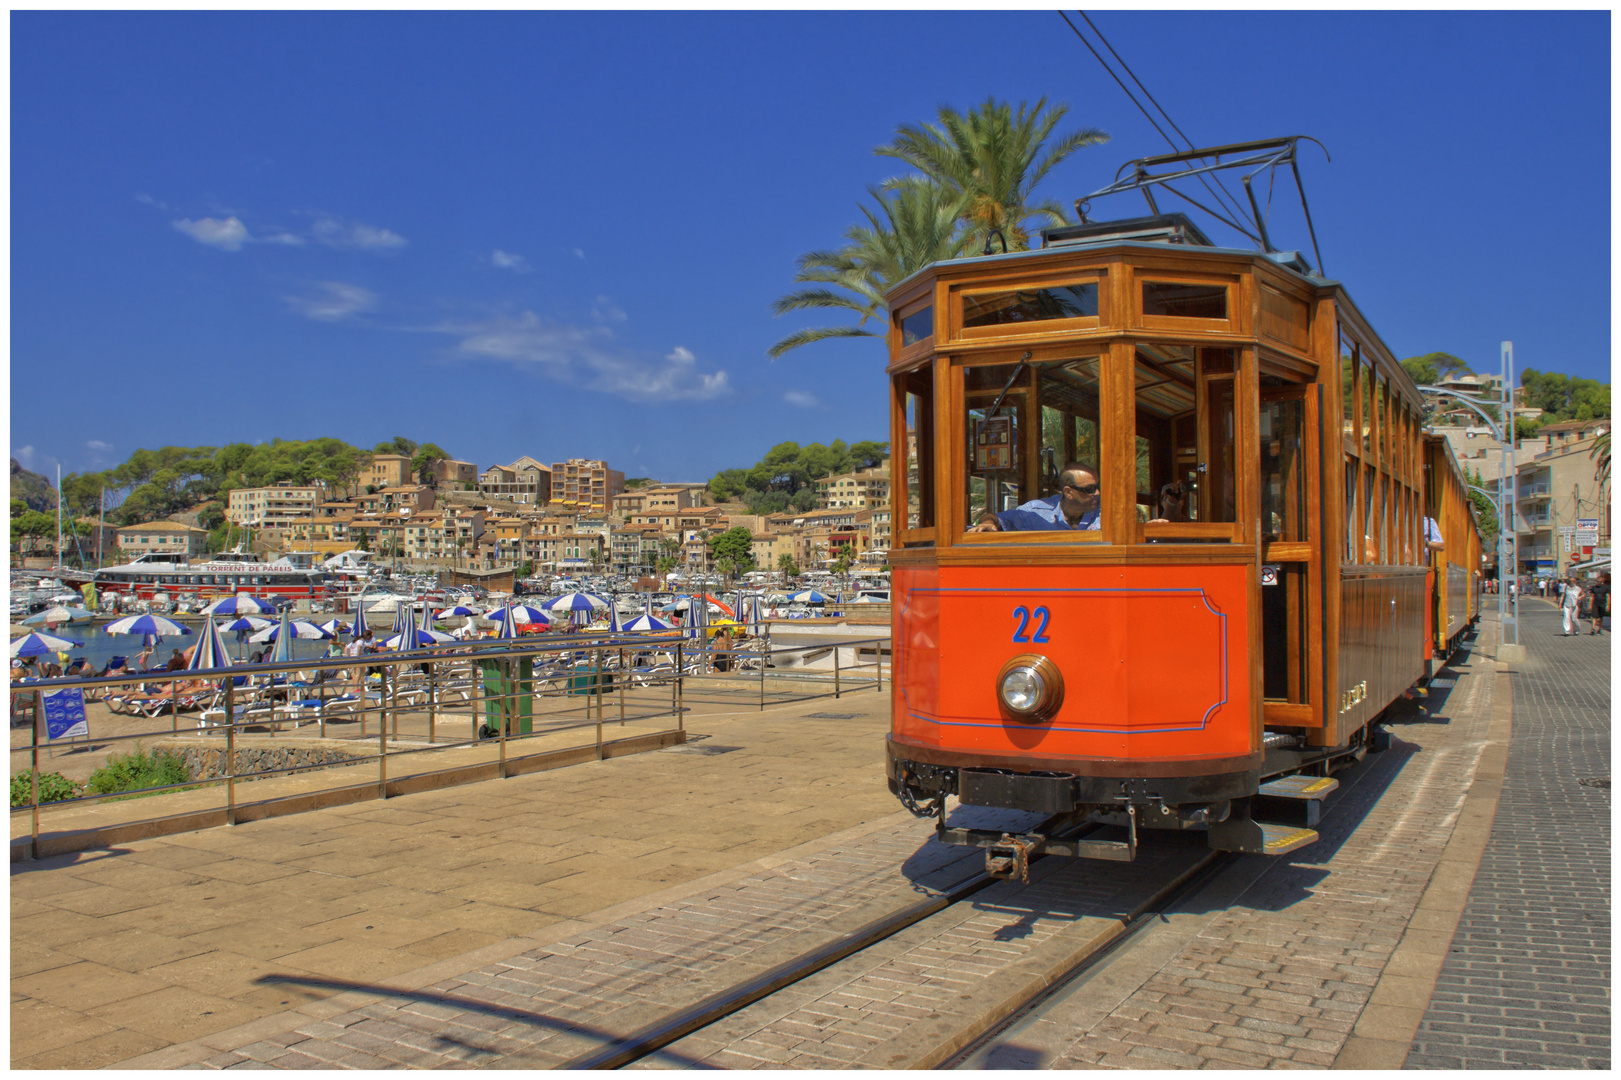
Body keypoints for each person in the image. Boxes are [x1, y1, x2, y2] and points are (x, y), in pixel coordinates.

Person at [971, 462, 1161, 533]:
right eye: (1089, 489)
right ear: (1068, 492)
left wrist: (1149, 529)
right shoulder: (1037, 512)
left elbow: (1129, 532)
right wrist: (987, 522)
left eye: (1098, 487)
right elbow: (996, 518)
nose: (1097, 494)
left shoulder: (1110, 510)